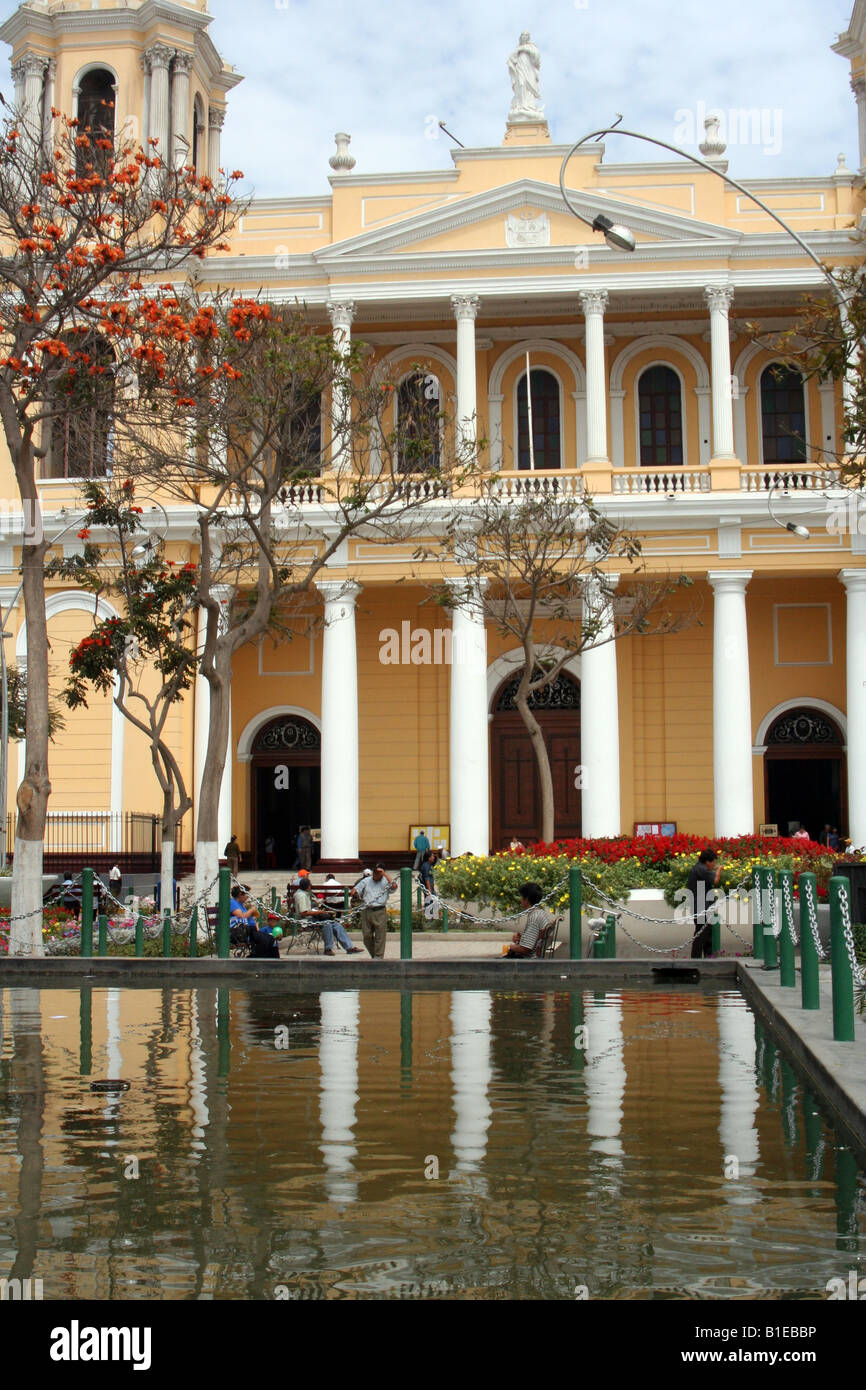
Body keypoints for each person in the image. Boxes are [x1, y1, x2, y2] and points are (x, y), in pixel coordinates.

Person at [293, 876, 362, 956]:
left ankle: (349, 947)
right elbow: (304, 913)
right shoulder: (301, 896)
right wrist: (318, 912)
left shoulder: (305, 894)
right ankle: (328, 948)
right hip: (305, 920)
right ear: (308, 887)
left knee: (336, 924)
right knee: (327, 924)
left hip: (312, 917)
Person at [352, 864, 397, 959]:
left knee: (380, 937)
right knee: (367, 936)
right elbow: (356, 889)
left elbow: (394, 886)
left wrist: (385, 875)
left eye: (380, 873)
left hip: (379, 910)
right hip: (367, 909)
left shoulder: (385, 881)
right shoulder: (367, 880)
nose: (377, 875)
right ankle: (374, 955)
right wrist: (355, 892)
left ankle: (378, 956)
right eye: (376, 872)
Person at [686, 849, 721, 959]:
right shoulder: (702, 869)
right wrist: (719, 870)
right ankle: (695, 959)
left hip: (702, 907)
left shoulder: (699, 868)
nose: (714, 865)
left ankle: (708, 957)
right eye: (713, 862)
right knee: (701, 935)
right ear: (707, 862)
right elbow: (715, 880)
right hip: (701, 908)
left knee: (707, 935)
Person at [503, 882, 550, 958]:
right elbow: (533, 939)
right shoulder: (540, 913)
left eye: (521, 897)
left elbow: (526, 949)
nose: (520, 900)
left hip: (529, 961)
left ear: (527, 899)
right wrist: (522, 938)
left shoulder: (534, 917)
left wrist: (510, 947)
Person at [419, 850, 439, 921]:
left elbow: (435, 863)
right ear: (429, 858)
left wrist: (436, 857)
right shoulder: (426, 866)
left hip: (430, 888)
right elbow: (426, 878)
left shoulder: (429, 865)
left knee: (434, 902)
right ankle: (429, 920)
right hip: (428, 888)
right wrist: (429, 890)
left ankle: (433, 918)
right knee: (429, 903)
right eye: (432, 856)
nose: (433, 858)